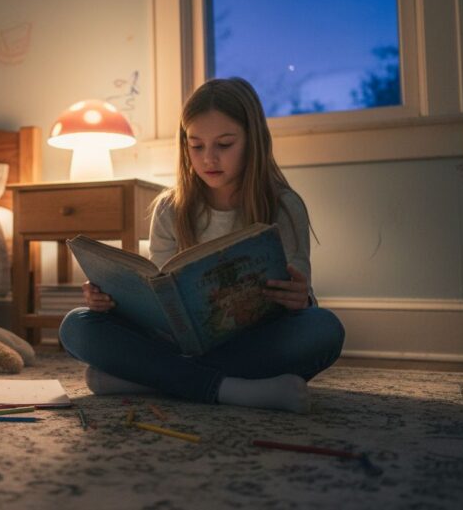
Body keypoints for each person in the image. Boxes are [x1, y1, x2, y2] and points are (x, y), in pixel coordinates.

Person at [59, 77, 345, 413]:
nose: (209, 158)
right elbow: (157, 293)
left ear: (253, 142)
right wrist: (109, 300)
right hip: (173, 342)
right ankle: (231, 389)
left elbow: (301, 297)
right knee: (77, 326)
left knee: (323, 330)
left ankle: (148, 379)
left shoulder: (284, 206)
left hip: (252, 340)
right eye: (196, 145)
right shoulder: (170, 207)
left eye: (224, 144)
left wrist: (301, 298)